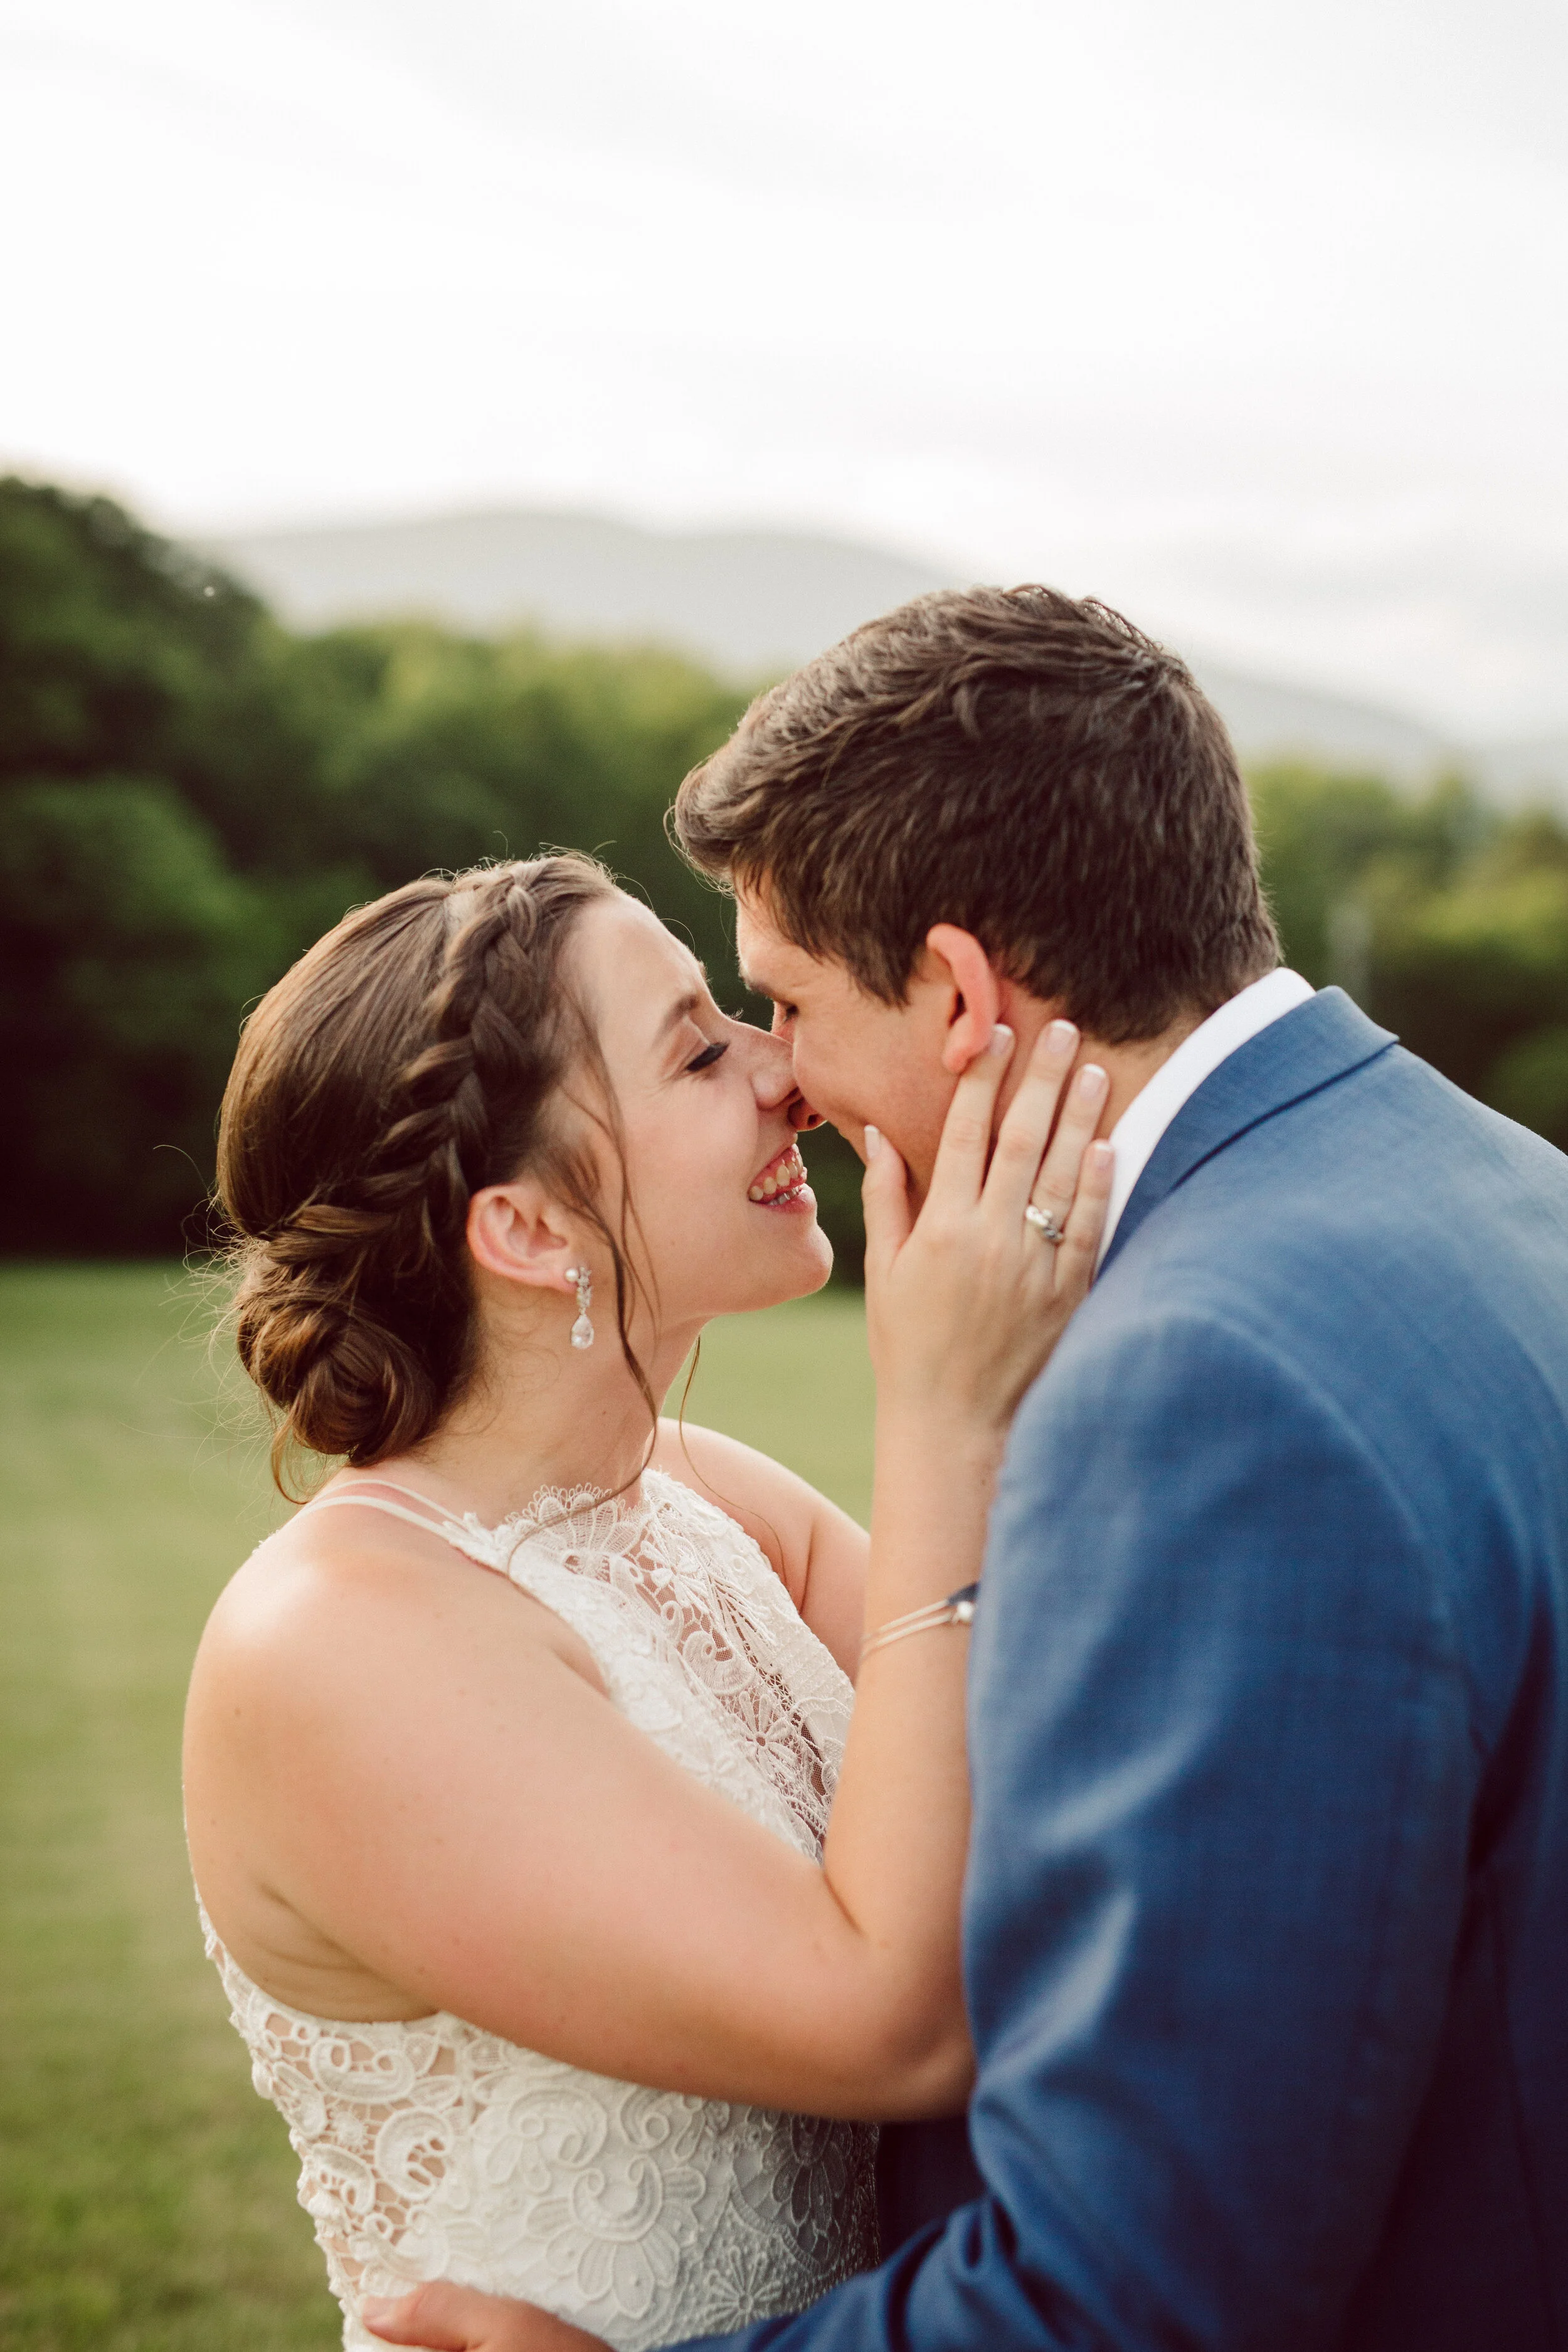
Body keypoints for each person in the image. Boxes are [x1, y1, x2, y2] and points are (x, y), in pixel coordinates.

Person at [366, 586, 1568, 2352]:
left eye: (777, 999)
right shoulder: (1496, 1178)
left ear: (953, 991)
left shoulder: (1199, 1380)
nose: (782, 1078)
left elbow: (1143, 2286)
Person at [184, 849, 1112, 2350]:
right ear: (530, 1231)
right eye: (700, 1047)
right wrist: (945, 1415)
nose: (785, 1074)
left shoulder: (705, 1497)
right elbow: (890, 2021)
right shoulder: (340, 1644)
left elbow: (1067, 1764)